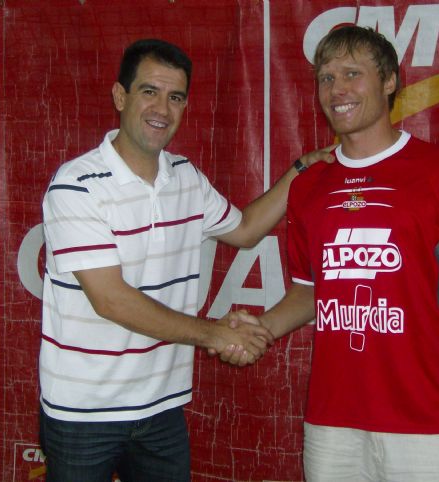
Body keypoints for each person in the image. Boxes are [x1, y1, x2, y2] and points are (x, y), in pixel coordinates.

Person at [224, 26, 439, 481]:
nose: (336, 89)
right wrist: (260, 331)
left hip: (428, 419)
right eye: (326, 77)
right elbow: (311, 290)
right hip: (332, 421)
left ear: (389, 81)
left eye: (352, 74)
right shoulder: (308, 186)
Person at [39, 38, 333, 482]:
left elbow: (246, 229)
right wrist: (215, 333)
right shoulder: (76, 185)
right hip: (83, 413)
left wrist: (301, 169)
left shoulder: (187, 178)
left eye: (175, 97)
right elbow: (111, 300)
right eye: (149, 91)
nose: (162, 108)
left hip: (162, 409)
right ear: (120, 96)